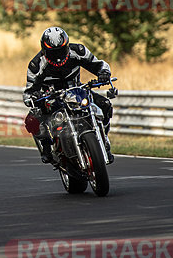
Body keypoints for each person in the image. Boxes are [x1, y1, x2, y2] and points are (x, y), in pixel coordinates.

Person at [22, 26, 114, 164]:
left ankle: (104, 140)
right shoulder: (36, 65)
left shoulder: (78, 51)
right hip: (52, 98)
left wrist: (103, 73)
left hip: (77, 91)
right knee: (32, 119)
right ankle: (46, 147)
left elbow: (100, 64)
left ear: (66, 45)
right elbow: (28, 92)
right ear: (44, 50)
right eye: (54, 52)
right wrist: (34, 97)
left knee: (105, 104)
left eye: (60, 51)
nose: (58, 56)